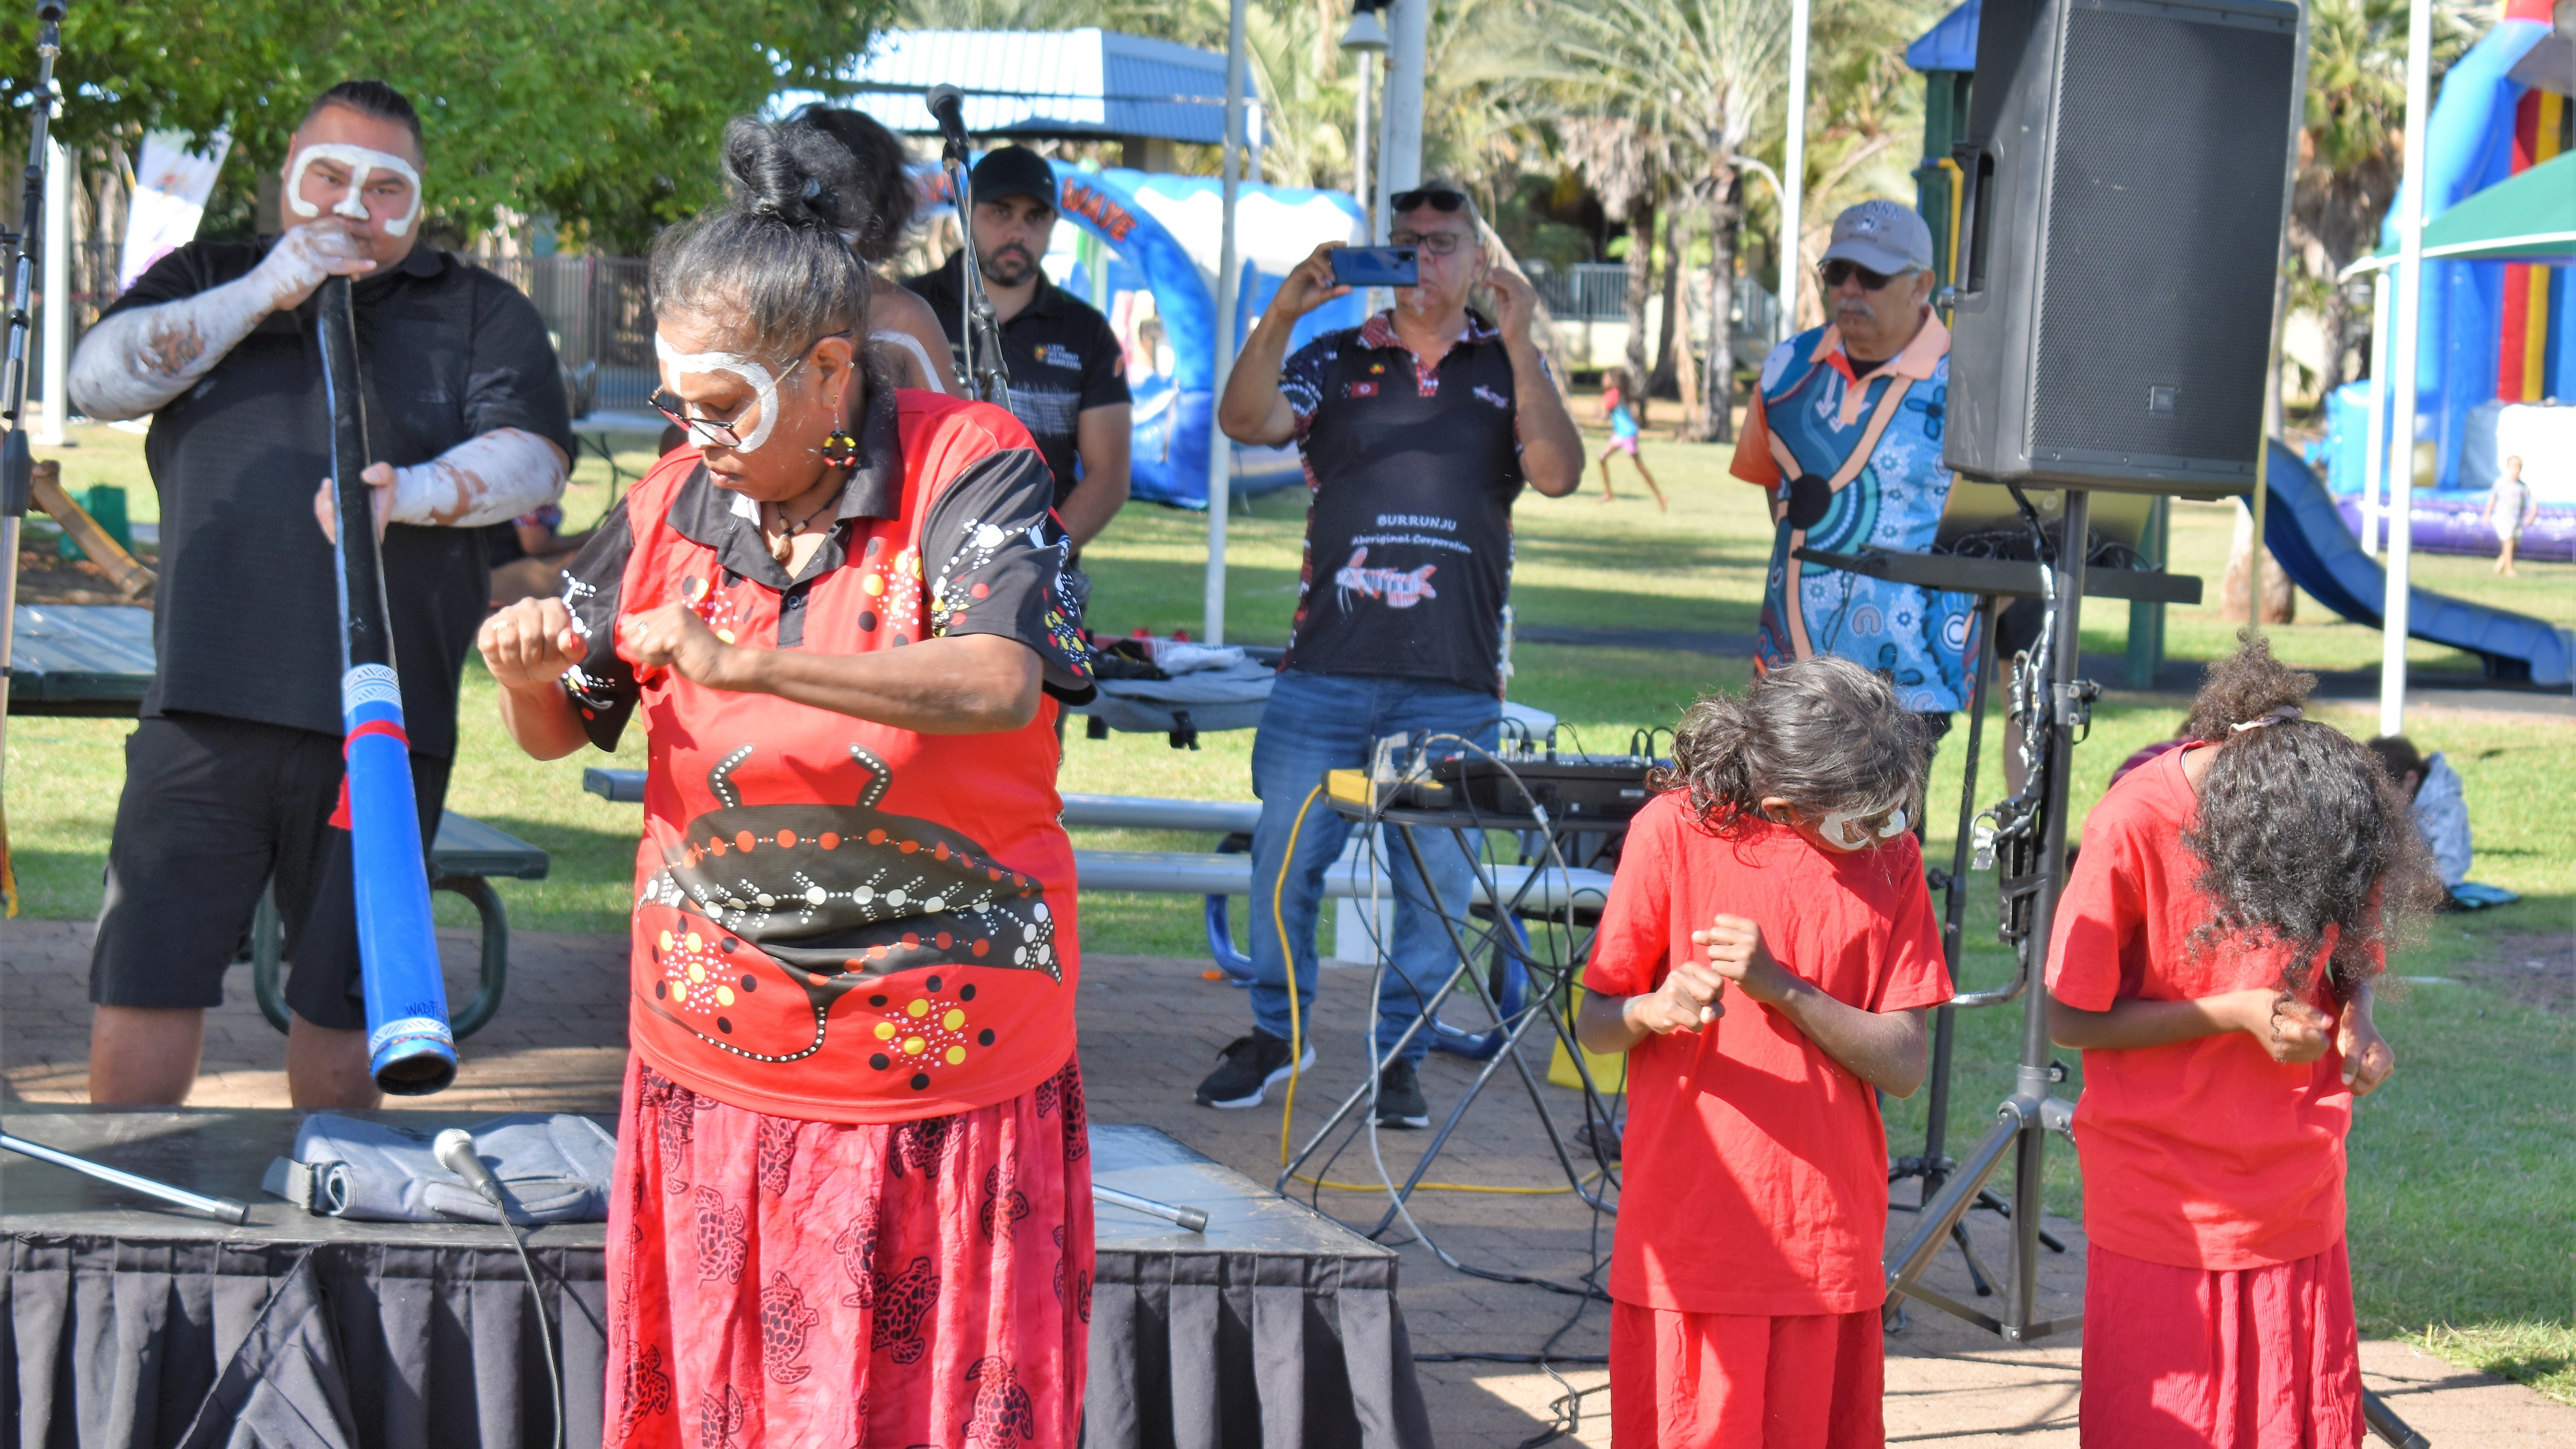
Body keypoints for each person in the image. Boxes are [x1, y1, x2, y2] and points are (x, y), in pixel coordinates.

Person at [477, 117, 1095, 1446]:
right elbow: (563, 724)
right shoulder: (665, 508)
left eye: (724, 404)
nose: (691, 434)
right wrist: (527, 669)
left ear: (828, 374)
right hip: (712, 1075)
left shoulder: (964, 461)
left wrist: (745, 664)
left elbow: (997, 679)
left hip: (937, 1086)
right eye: (674, 402)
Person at [66, 79, 572, 1109]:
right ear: (289, 180)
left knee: (349, 1000)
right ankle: (125, 1201)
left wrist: (421, 493)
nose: (354, 204)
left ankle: (337, 1209)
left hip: (385, 717)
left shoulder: (476, 307)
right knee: (147, 975)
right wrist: (266, 289)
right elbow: (98, 381)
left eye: (387, 187)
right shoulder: (211, 275)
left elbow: (537, 462)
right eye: (328, 176)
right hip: (203, 702)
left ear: (418, 203)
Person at [1199, 180, 1583, 1129]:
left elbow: (1559, 473)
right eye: (1405, 243)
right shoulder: (1334, 356)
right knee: (1283, 869)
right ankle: (1277, 1036)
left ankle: (1402, 1053)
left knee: (1437, 886)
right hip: (1323, 671)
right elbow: (1245, 422)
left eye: (1444, 243)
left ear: (1478, 260)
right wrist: (1284, 310)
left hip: (1450, 681)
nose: (1424, 261)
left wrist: (1524, 338)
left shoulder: (1504, 366)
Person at [2045, 636, 2442, 1446]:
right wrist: (2230, 1014)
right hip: (2167, 1196)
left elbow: (2355, 947)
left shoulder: (2329, 807)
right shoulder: (2135, 820)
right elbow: (2068, 1017)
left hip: (2295, 1186)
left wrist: (2360, 1018)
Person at [1575, 656, 1951, 1448]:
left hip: (1826, 1239)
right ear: (1786, 804)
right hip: (1695, 1238)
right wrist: (1654, 1007)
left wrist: (1787, 989)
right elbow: (1597, 1023)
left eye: (1897, 811)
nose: (1886, 831)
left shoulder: (1895, 861)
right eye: (1862, 818)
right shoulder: (1671, 833)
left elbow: (1906, 1063)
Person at [1732, 199, 1972, 716]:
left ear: (1922, 284)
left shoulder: (1969, 381)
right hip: (1791, 666)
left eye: (1873, 276)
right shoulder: (1786, 368)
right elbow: (1775, 488)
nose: (1850, 289)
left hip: (1913, 675)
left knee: (1892, 802)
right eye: (1838, 272)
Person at [906, 145, 1130, 547]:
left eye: (1035, 217)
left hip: (1041, 571)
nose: (1017, 233)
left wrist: (1042, 554)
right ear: (967, 214)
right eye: (1001, 211)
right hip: (915, 560)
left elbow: (1110, 475)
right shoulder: (910, 309)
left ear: (1053, 224)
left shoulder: (1087, 332)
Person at [780, 104, 962, 397]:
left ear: (878, 206)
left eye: (846, 201)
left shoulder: (904, 316)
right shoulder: (744, 304)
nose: (827, 213)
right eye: (815, 194)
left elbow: (964, 435)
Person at [2366, 734, 2473, 890]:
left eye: (2385, 795)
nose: (2379, 804)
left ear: (2411, 779)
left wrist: (2405, 885)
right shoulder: (2398, 802)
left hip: (2429, 890)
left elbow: (2448, 871)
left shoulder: (2445, 808)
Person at [1595, 368, 1666, 510]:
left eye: (1606, 378)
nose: (1603, 381)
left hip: (1627, 434)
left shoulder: (1613, 395)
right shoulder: (1619, 393)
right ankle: (1609, 493)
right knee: (1602, 458)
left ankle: (1660, 496)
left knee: (1639, 466)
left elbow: (1605, 416)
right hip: (1622, 434)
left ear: (1613, 381)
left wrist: (1597, 414)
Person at [2482, 453, 2537, 577]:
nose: (2517, 469)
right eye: (2514, 466)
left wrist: (2532, 515)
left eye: (2519, 467)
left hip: (2517, 519)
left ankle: (2501, 564)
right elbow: (2492, 499)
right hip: (2503, 518)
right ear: (2508, 467)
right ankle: (2509, 569)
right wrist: (2487, 515)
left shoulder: (2523, 487)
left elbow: (2533, 502)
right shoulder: (2501, 483)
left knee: (2515, 545)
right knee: (2509, 541)